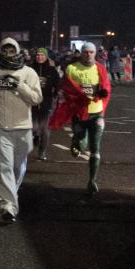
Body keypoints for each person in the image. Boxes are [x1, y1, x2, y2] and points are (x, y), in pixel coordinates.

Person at [0, 37, 42, 223]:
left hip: (23, 127)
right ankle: (8, 206)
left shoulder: (28, 72)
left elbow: (36, 98)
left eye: (11, 50)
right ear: (0, 51)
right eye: (4, 50)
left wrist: (19, 85)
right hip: (1, 126)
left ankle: (12, 192)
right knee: (5, 166)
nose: (8, 54)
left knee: (18, 167)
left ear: (17, 51)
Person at [50, 41, 111, 195]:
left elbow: (106, 87)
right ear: (81, 53)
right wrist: (79, 96)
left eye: (91, 52)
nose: (88, 54)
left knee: (95, 147)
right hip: (79, 114)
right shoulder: (72, 68)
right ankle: (76, 141)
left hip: (96, 113)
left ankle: (92, 181)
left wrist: (103, 92)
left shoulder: (100, 68)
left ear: (95, 53)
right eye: (86, 52)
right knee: (81, 146)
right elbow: (66, 89)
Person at [29, 48, 61, 161]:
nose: (40, 57)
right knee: (33, 127)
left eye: (42, 55)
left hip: (47, 103)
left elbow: (58, 84)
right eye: (38, 55)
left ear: (46, 57)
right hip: (32, 102)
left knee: (45, 129)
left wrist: (56, 94)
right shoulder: (30, 69)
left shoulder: (52, 70)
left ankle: (42, 152)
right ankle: (35, 135)